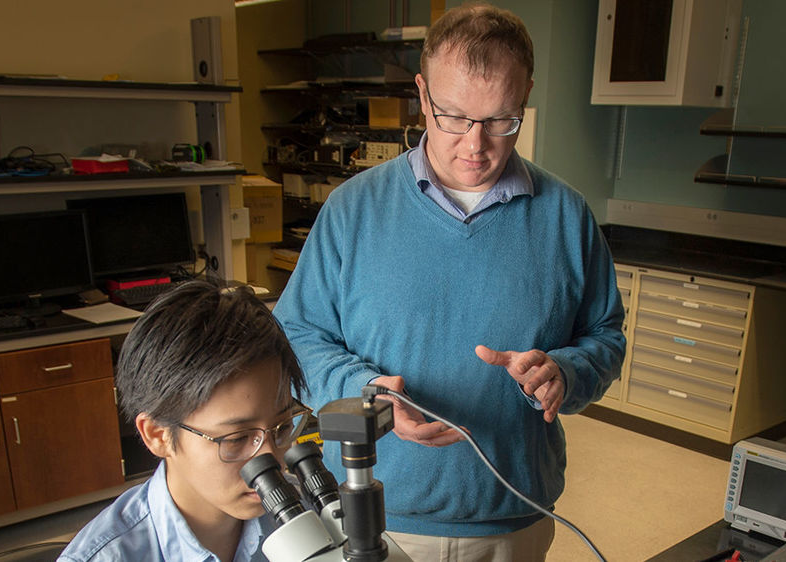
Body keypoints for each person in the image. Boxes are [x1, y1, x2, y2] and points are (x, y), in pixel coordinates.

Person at [274, 2, 626, 560]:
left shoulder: (567, 217)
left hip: (515, 517)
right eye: (454, 116)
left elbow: (606, 338)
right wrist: (364, 393)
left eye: (500, 119)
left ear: (526, 96)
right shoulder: (352, 210)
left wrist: (567, 371)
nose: (475, 145)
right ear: (421, 93)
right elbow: (293, 336)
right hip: (378, 516)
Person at [58, 281, 308, 562]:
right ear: (157, 434)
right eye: (237, 439)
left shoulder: (305, 511)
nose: (271, 460)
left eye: (283, 428)